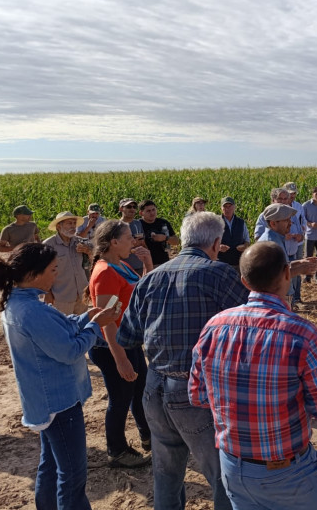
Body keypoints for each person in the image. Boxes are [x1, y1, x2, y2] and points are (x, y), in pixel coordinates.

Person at [189, 242, 317, 510]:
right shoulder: (301, 333)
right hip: (289, 471)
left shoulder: (214, 327)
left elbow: (198, 396)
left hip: (233, 467)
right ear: (287, 273)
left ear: (244, 281)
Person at [118, 212, 251, 510]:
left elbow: (127, 336)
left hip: (154, 386)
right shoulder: (220, 274)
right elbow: (251, 324)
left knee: (166, 474)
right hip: (197, 390)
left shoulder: (150, 278)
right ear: (216, 243)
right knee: (222, 475)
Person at [0, 243, 117, 509]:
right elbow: (70, 350)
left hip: (45, 401)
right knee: (72, 475)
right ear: (33, 274)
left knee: (51, 465)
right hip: (60, 403)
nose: (56, 276)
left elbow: (59, 328)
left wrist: (86, 318)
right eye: (53, 270)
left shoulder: (20, 303)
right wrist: (95, 326)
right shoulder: (32, 311)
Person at [87, 221, 153, 468]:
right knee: (120, 399)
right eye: (129, 238)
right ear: (114, 242)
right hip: (111, 347)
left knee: (139, 390)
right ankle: (116, 451)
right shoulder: (105, 272)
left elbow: (140, 293)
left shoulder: (120, 265)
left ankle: (147, 436)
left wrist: (148, 265)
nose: (133, 242)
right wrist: (121, 360)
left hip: (128, 341)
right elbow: (107, 321)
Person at [257, 203, 317, 306]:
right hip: (276, 299)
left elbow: (282, 266)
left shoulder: (276, 238)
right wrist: (300, 269)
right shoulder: (271, 244)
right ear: (273, 224)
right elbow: (275, 275)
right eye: (286, 220)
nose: (291, 223)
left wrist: (301, 262)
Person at [42, 211, 91, 315]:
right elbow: (42, 271)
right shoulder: (49, 245)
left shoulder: (81, 242)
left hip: (82, 295)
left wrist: (88, 251)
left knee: (81, 324)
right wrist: (47, 293)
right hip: (61, 297)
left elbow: (96, 259)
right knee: (62, 324)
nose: (73, 226)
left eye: (74, 223)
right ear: (59, 226)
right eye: (69, 223)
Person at [282, 182, 307, 306]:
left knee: (297, 270)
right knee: (286, 271)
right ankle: (288, 299)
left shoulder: (298, 206)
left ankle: (297, 297)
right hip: (285, 244)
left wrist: (301, 233)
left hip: (297, 243)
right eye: (290, 194)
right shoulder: (281, 209)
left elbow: (303, 222)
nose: (292, 196)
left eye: (294, 193)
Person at [138, 199, 178, 267]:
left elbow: (176, 241)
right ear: (141, 213)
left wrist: (165, 238)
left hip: (164, 263)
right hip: (144, 265)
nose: (152, 213)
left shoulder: (163, 223)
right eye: (148, 211)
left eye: (153, 210)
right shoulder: (137, 224)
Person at [218, 197, 250, 273]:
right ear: (221, 208)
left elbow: (247, 240)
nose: (227, 209)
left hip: (238, 263)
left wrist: (244, 246)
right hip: (221, 263)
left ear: (234, 207)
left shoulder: (241, 222)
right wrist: (218, 247)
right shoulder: (216, 222)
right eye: (225, 206)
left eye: (230, 206)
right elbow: (210, 242)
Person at [118, 198, 147, 276]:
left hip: (139, 266)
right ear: (121, 209)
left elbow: (143, 242)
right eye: (129, 207)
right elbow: (114, 247)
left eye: (134, 207)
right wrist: (132, 244)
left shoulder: (138, 223)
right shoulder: (117, 225)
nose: (132, 209)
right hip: (124, 267)